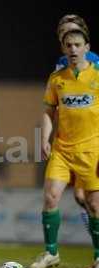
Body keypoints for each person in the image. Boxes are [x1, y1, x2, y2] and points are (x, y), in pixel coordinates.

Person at [29, 29, 99, 268]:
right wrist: (45, 138)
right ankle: (51, 252)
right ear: (63, 48)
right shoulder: (57, 78)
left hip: (92, 150)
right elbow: (49, 111)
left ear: (87, 47)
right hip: (62, 149)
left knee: (93, 203)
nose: (73, 49)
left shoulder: (97, 76)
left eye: (77, 45)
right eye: (68, 45)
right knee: (50, 197)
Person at [54, 14, 99, 235]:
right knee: (82, 198)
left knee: (87, 198)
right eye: (63, 33)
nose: (67, 36)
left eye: (71, 31)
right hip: (68, 144)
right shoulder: (61, 66)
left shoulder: (95, 64)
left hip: (91, 143)